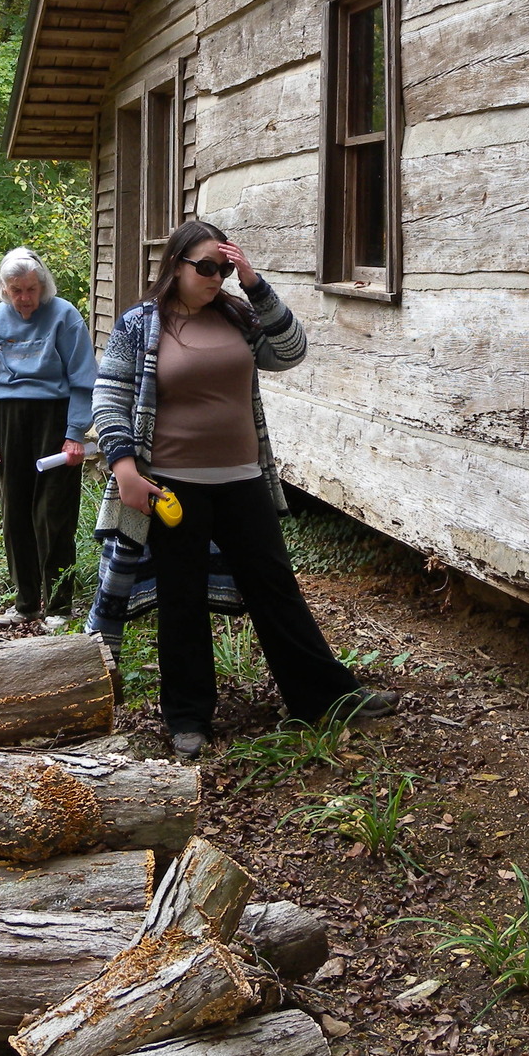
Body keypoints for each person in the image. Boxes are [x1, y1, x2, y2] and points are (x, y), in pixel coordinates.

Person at [93, 220, 396, 760]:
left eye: (223, 267)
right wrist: (124, 467)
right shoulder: (140, 325)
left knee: (275, 588)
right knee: (181, 600)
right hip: (173, 488)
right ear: (177, 266)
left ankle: (324, 697)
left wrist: (254, 284)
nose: (216, 276)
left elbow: (291, 350)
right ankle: (187, 717)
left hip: (243, 480)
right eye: (205, 267)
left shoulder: (238, 314)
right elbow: (110, 397)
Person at [0, 247, 98, 631]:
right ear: (3, 290)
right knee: (15, 514)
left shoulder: (65, 316)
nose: (24, 298)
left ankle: (59, 606)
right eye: (15, 290)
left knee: (53, 514)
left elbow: (83, 380)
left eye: (31, 289)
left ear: (43, 286)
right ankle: (25, 602)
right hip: (8, 421)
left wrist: (75, 435)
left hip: (53, 419)